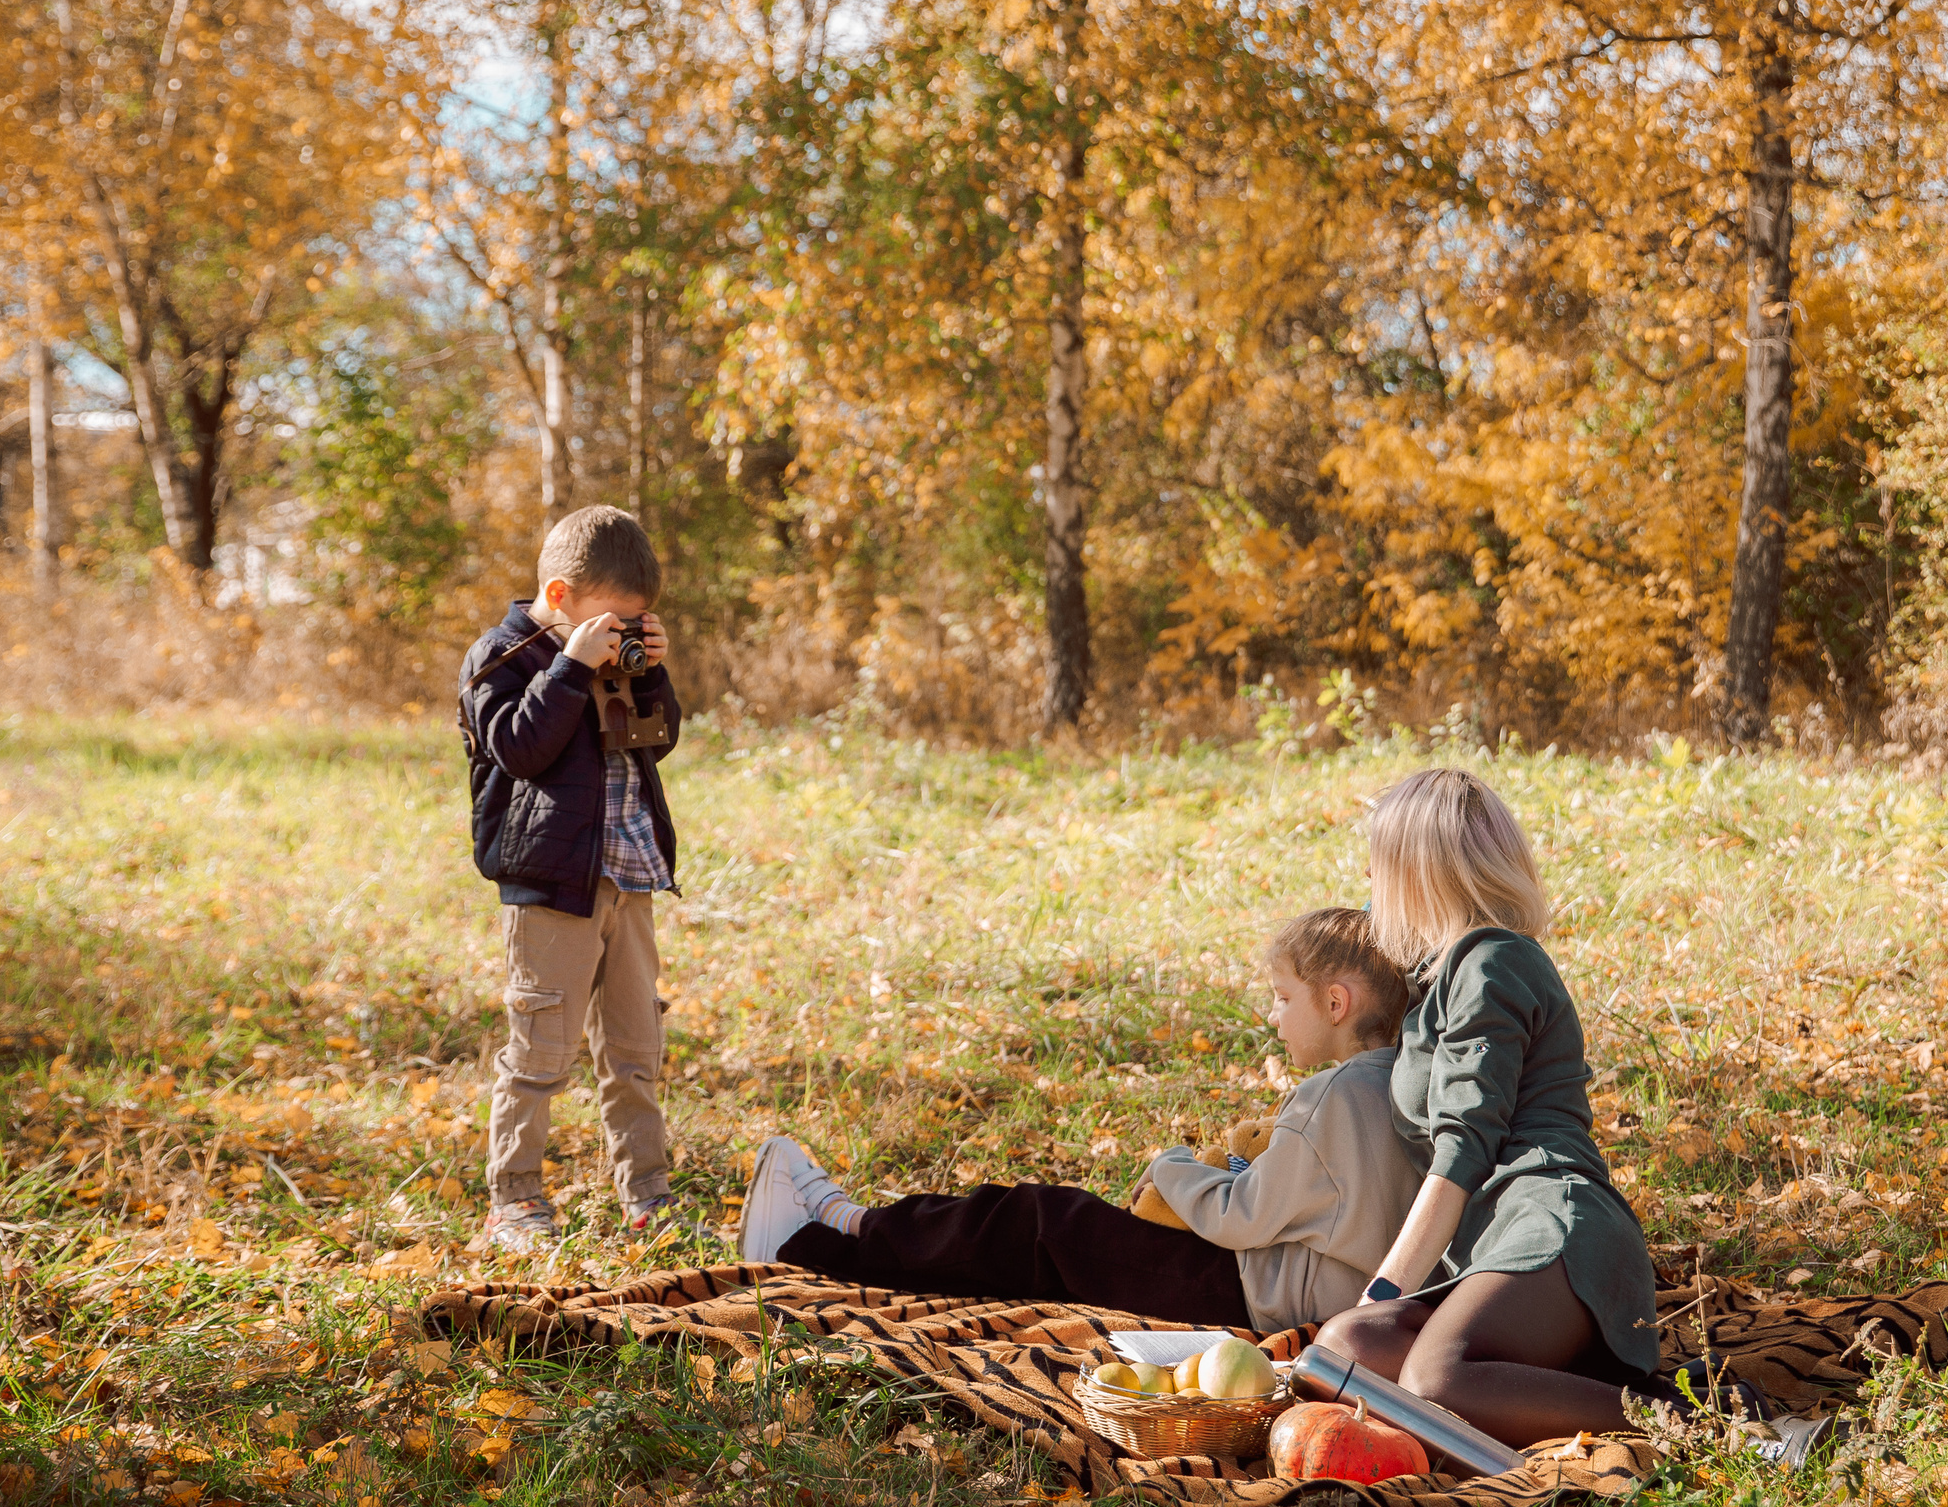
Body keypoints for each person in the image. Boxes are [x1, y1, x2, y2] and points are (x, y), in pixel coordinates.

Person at [739, 909, 1425, 1332]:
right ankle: (853, 1229)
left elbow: (1243, 1215)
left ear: (1335, 1002)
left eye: (1283, 998)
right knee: (1053, 1244)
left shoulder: (1331, 1096)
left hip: (1239, 1296)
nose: (1273, 1016)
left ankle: (816, 1239)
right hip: (1286, 1292)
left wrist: (1173, 1166)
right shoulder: (1401, 1084)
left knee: (1039, 1222)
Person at [1312, 768, 1660, 1445]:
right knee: (1345, 1348)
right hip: (1493, 1241)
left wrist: (1385, 1288)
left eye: (1379, 861)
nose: (1370, 877)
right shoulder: (1444, 975)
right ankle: (1555, 1407)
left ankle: (1708, 1423)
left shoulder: (1493, 961)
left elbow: (1462, 1151)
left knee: (1434, 1381)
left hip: (1551, 1221)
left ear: (1417, 869)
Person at [458, 505, 683, 1251]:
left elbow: (658, 740)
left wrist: (651, 673)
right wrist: (570, 665)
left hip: (630, 875)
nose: (621, 634)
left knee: (634, 1048)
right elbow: (521, 749)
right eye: (612, 622)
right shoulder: (502, 657)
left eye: (635, 622)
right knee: (540, 1052)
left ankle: (648, 1192)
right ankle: (515, 1199)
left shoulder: (615, 653)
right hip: (551, 885)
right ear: (560, 598)